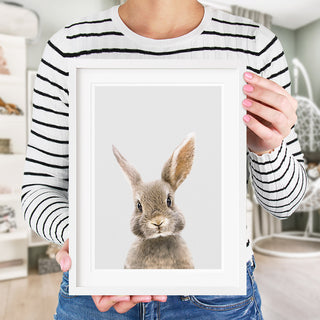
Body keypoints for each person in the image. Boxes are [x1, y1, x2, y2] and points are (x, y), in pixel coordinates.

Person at [21, 0, 308, 319]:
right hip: (99, 293)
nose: (157, 218)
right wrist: (89, 242)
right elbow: (37, 190)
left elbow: (284, 205)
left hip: (214, 299)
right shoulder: (67, 47)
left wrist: (268, 147)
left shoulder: (256, 46)